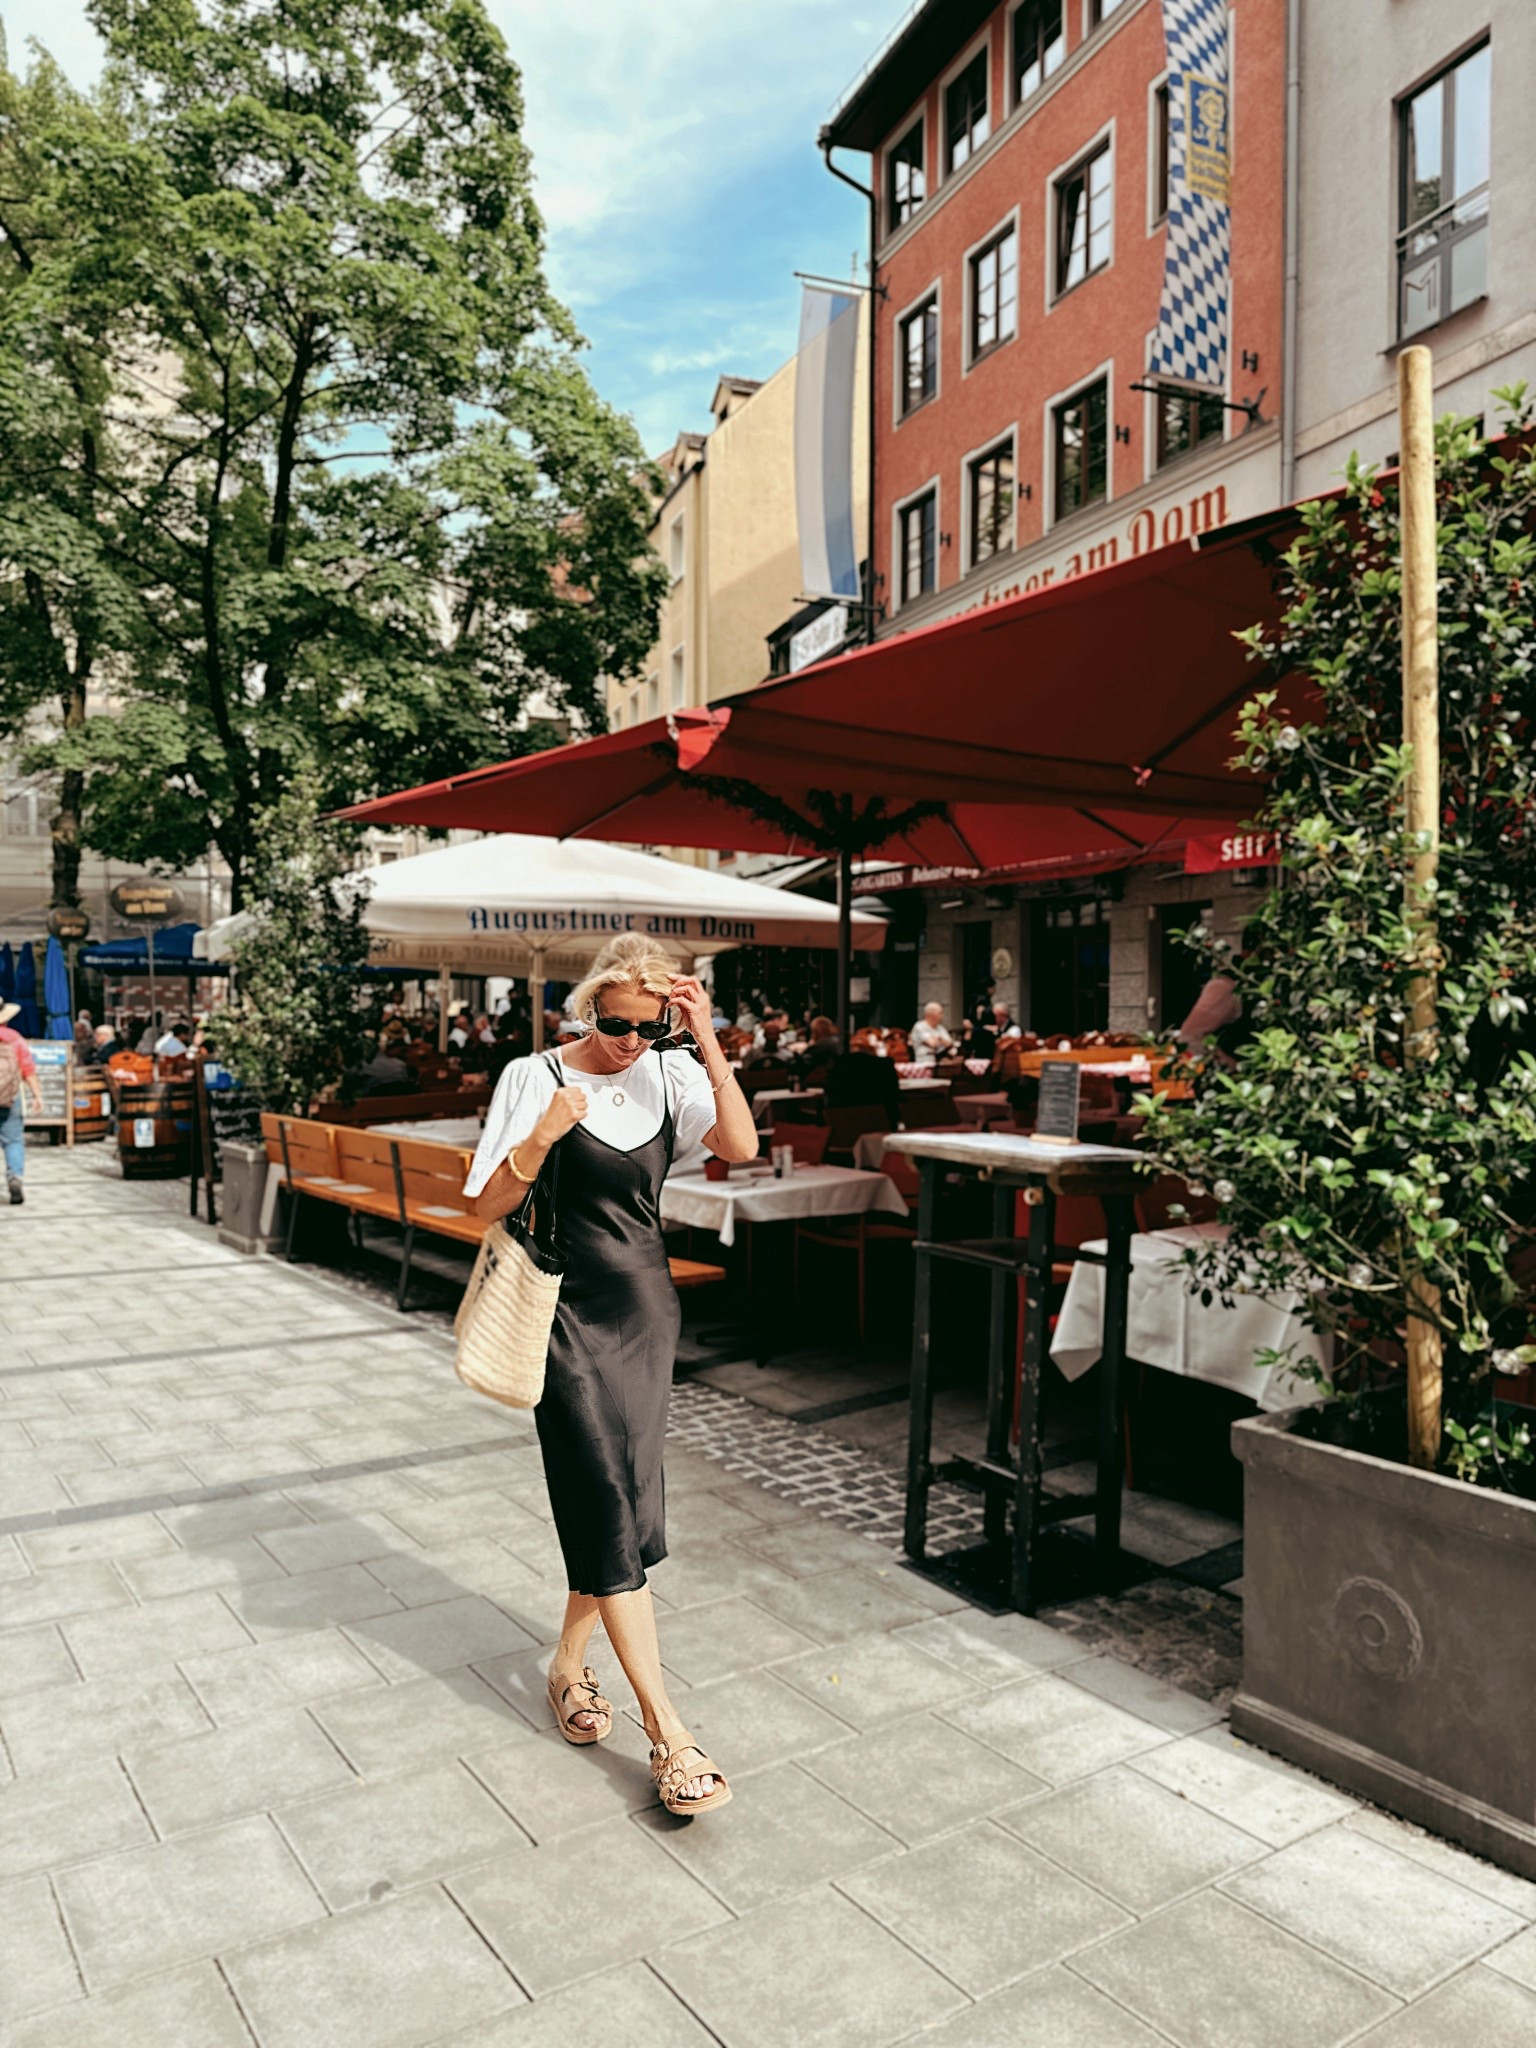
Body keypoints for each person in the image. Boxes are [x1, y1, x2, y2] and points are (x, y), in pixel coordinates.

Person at [466, 933, 757, 1814]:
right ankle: (668, 1730)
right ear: (587, 1008)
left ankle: (566, 1668)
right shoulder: (533, 1076)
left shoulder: (670, 1073)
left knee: (623, 1500)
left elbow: (738, 1147)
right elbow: (480, 1205)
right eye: (613, 1022)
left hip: (645, 1311)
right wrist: (541, 1139)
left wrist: (706, 1041)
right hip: (560, 1311)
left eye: (646, 1025)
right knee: (603, 1491)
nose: (628, 1040)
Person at [0, 1000, 46, 1205]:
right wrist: (37, 1096)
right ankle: (15, 1178)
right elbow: (28, 1070)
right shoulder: (15, 1039)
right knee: (14, 1140)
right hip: (10, 1097)